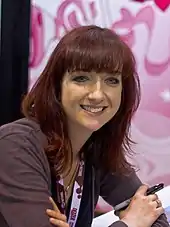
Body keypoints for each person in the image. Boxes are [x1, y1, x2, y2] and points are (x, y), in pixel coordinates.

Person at [0, 25, 168, 227]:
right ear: (56, 86)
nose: (97, 94)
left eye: (111, 80)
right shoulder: (16, 146)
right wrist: (130, 223)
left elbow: (154, 218)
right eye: (81, 78)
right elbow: (140, 220)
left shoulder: (97, 147)